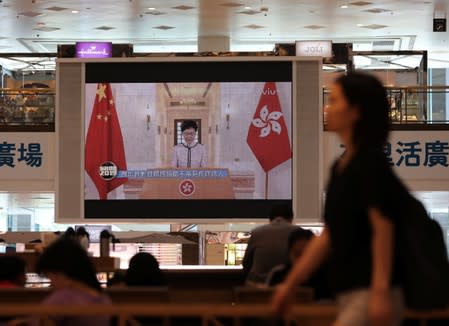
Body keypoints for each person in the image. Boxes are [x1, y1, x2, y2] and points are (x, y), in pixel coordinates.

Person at [271, 72, 407, 326]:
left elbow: (383, 229)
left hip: (371, 294)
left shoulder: (369, 164)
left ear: (355, 111)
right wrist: (289, 285)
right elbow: (329, 235)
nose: (327, 108)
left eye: (334, 101)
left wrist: (380, 292)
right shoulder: (342, 166)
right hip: (353, 293)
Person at [9, 238, 111, 326]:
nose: (51, 284)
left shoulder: (65, 298)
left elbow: (41, 320)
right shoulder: (103, 298)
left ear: (60, 273)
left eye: (50, 276)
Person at [242, 202, 300, 286]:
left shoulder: (257, 232)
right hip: (289, 288)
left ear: (270, 219)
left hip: (257, 289)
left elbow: (246, 263)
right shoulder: (299, 232)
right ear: (291, 219)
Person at [266, 228, 331, 301]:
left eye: (305, 254)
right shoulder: (278, 274)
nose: (300, 261)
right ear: (289, 253)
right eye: (297, 254)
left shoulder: (325, 277)